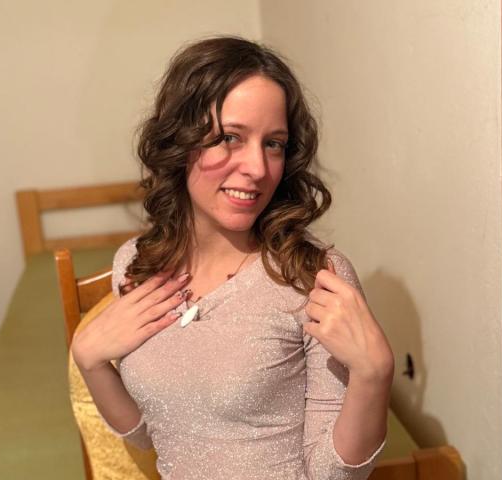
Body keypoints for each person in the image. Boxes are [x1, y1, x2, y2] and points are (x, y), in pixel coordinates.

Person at [71, 35, 394, 479]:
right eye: (229, 138)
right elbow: (151, 434)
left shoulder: (312, 276)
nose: (258, 168)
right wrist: (89, 360)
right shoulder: (137, 264)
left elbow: (332, 475)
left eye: (274, 144)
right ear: (179, 141)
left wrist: (375, 375)